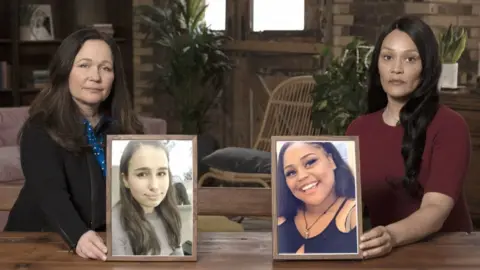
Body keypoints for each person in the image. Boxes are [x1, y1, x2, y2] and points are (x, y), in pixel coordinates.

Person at [3, 28, 144, 261]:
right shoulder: (40, 128)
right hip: (36, 243)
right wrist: (78, 235)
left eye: (105, 68)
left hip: (100, 243)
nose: (95, 76)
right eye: (84, 65)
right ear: (65, 69)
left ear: (114, 77)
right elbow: (50, 193)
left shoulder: (124, 130)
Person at [345, 15, 473, 260]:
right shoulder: (357, 129)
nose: (397, 68)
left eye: (410, 59)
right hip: (385, 255)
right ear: (377, 65)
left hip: (449, 254)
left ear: (426, 67)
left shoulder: (450, 125)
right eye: (388, 57)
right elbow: (343, 205)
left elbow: (435, 209)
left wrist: (390, 236)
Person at [276, 141, 358, 254]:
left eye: (310, 162)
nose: (302, 176)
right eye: (291, 172)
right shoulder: (280, 219)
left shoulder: (354, 214)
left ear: (331, 160)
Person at [111, 140, 183, 256]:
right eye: (142, 174)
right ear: (125, 180)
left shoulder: (171, 214)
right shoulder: (115, 224)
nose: (154, 186)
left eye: (161, 173)